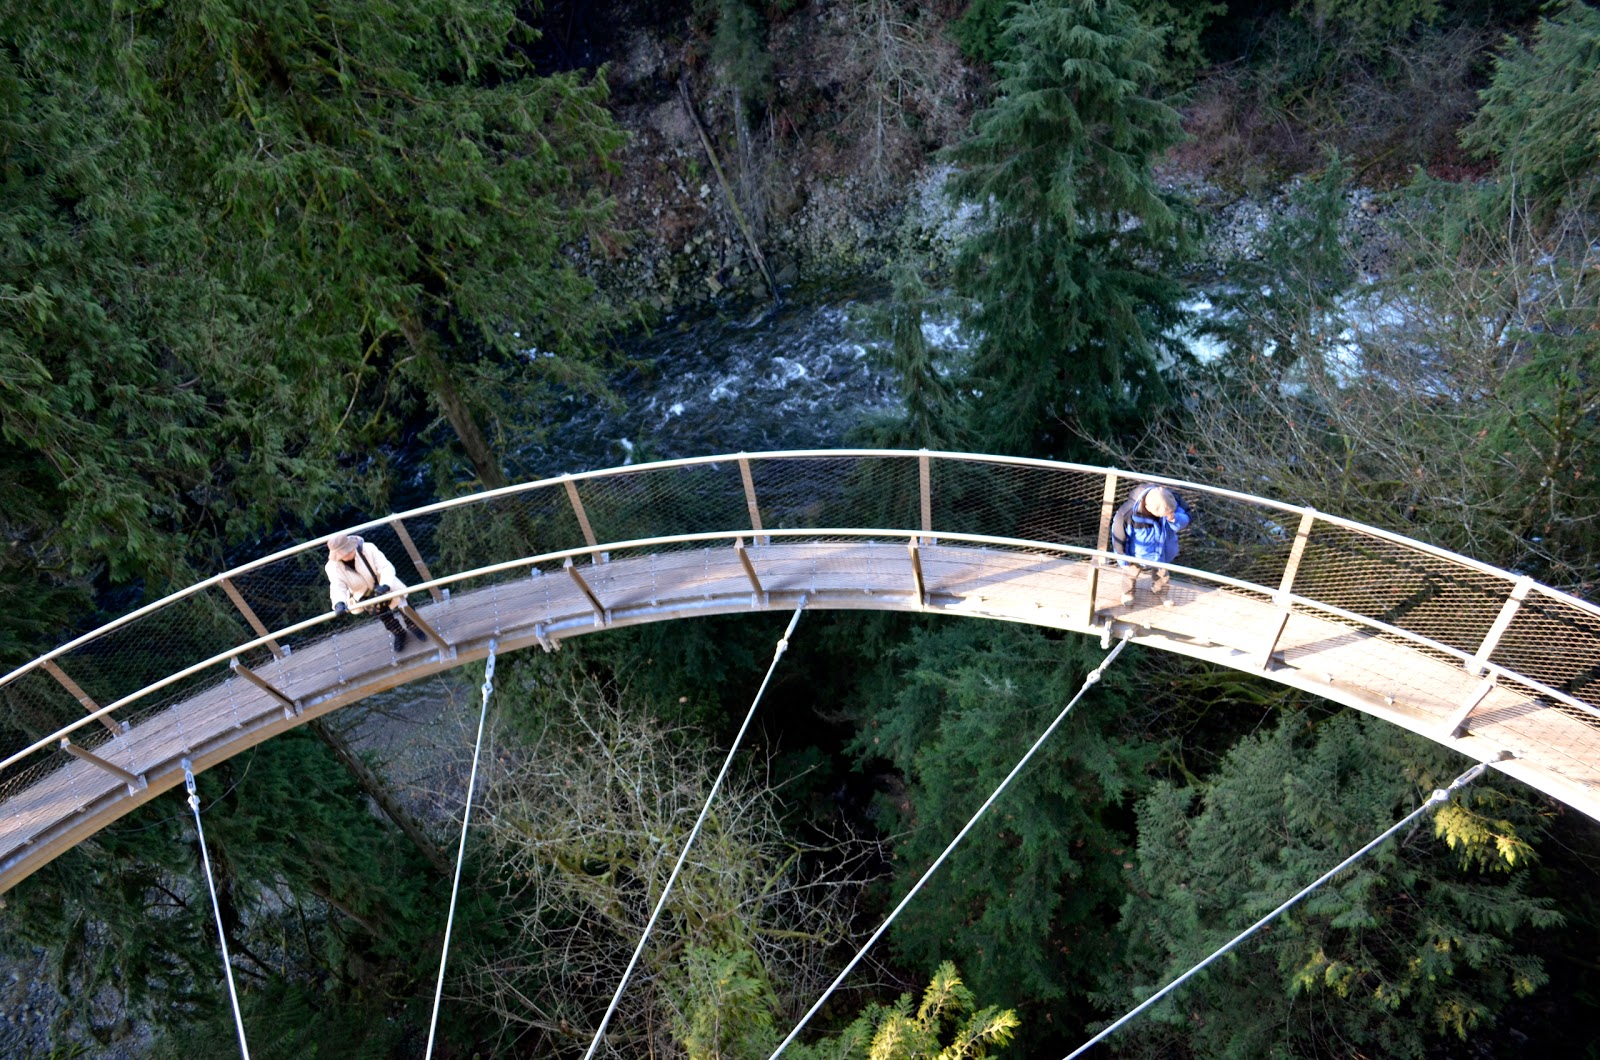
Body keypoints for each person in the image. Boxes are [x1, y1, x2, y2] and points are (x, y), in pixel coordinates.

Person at [325, 534, 428, 653]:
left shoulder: (368, 549)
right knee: (384, 616)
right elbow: (338, 586)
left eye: (349, 550)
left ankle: (415, 626)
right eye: (344, 553)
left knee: (404, 605)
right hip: (365, 594)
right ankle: (399, 633)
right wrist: (339, 603)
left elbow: (385, 567)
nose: (348, 553)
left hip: (384, 584)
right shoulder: (332, 567)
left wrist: (385, 584)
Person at [1109, 484, 1190, 606]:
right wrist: (1124, 560)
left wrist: (1174, 519)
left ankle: (1161, 592)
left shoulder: (1170, 500)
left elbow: (1186, 519)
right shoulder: (1127, 514)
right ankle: (1127, 593)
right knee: (1130, 574)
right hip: (1135, 555)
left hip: (1161, 552)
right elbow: (1119, 539)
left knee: (1162, 576)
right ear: (1147, 508)